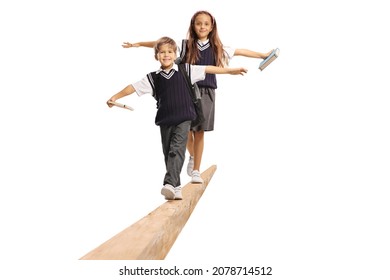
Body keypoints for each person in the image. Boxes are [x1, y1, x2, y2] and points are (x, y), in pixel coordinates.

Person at [121, 11, 274, 184]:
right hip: (186, 90)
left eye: (206, 24)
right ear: (193, 25)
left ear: (211, 27)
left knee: (200, 131)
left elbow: (240, 51)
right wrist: (138, 44)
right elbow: (160, 43)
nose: (202, 27)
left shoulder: (218, 48)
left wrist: (262, 55)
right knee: (185, 128)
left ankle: (196, 169)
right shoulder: (185, 45)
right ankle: (193, 154)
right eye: (198, 23)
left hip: (207, 92)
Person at [107, 37, 247, 200]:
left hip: (184, 118)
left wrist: (230, 71)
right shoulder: (153, 78)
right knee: (168, 153)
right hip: (165, 120)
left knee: (176, 149)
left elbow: (209, 68)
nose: (166, 55)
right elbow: (132, 87)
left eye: (169, 52)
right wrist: (115, 97)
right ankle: (177, 187)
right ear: (156, 55)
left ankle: (169, 183)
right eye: (162, 52)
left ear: (175, 54)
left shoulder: (186, 70)